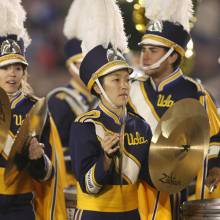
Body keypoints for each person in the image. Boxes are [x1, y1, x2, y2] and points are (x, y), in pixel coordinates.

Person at [128, 0, 220, 219]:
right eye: (144, 49)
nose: (145, 56)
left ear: (172, 56)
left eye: (153, 50)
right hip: (131, 189)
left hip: (174, 191)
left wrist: (214, 168)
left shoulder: (195, 92)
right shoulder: (130, 89)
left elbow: (214, 140)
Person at [69, 0, 152, 219]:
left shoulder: (141, 125)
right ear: (97, 86)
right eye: (116, 80)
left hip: (133, 214)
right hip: (95, 214)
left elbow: (149, 177)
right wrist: (105, 159)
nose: (124, 85)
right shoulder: (85, 125)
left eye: (126, 79)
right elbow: (88, 186)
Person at [0, 1, 66, 219]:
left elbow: (47, 175)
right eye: (5, 67)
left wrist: (38, 158)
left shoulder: (36, 108)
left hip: (20, 207)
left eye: (17, 67)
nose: (12, 74)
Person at [48, 0, 96, 188]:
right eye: (80, 64)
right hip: (68, 182)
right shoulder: (61, 101)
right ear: (70, 67)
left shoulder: (100, 98)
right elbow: (56, 150)